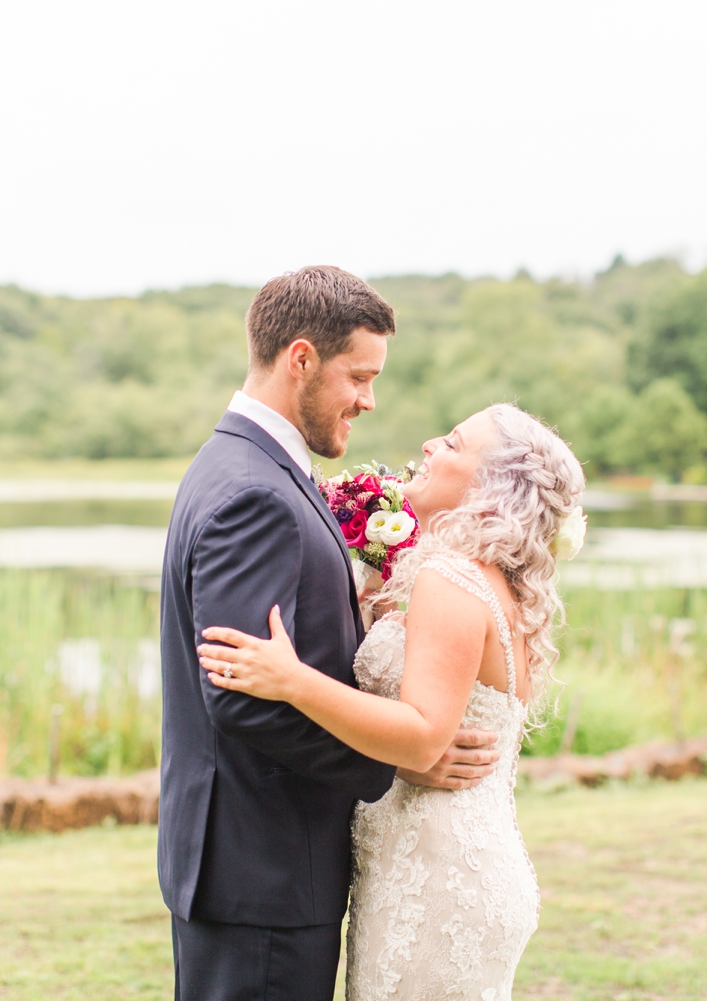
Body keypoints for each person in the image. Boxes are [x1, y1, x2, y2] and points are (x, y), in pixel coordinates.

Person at [158, 266, 502, 1001]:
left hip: (257, 868)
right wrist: (394, 760)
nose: (369, 400)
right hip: (263, 872)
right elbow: (242, 697)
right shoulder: (254, 492)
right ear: (302, 359)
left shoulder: (250, 468)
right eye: (360, 376)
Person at [200, 402, 587, 999]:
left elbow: (424, 736)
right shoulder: (490, 581)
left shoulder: (451, 581)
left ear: (491, 488)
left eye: (454, 445)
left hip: (433, 876)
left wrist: (291, 679)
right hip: (455, 861)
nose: (431, 444)